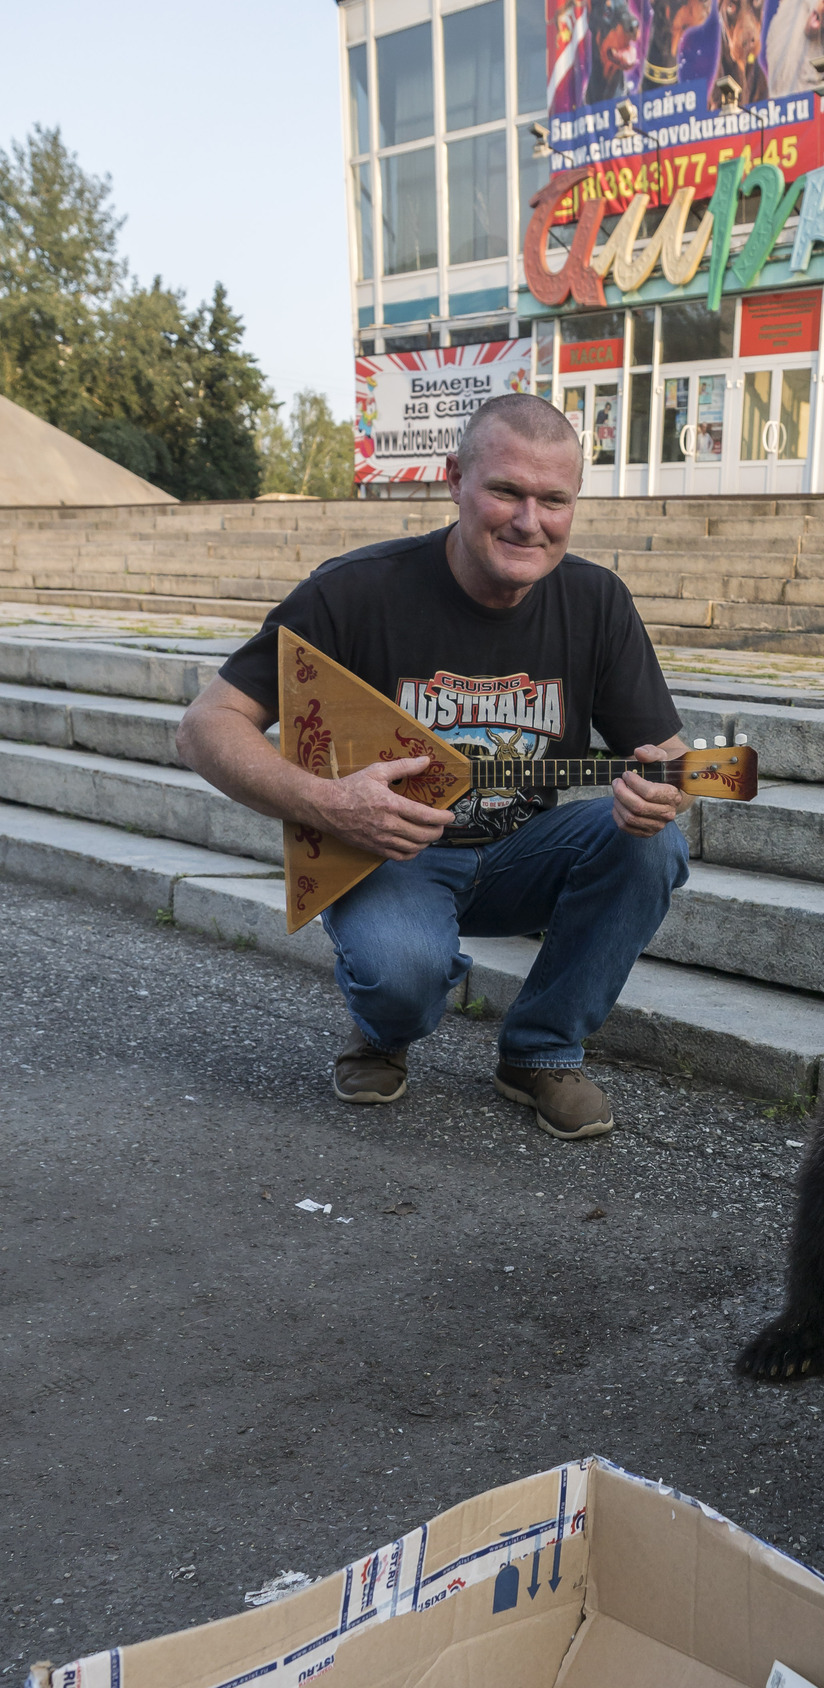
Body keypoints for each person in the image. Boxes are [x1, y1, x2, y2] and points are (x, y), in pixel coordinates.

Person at [176, 392, 690, 1138]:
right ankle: (384, 1033)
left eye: (554, 499)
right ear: (453, 479)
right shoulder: (356, 591)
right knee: (403, 978)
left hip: (524, 853)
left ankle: (542, 1053)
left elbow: (670, 758)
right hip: (391, 858)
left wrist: (666, 793)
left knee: (655, 844)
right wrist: (326, 803)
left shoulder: (596, 601)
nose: (529, 520)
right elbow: (203, 728)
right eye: (506, 490)